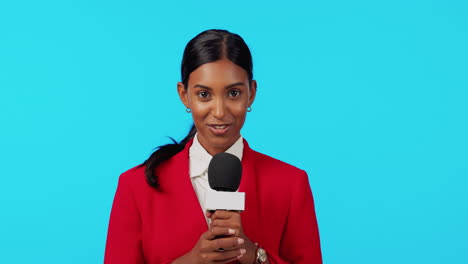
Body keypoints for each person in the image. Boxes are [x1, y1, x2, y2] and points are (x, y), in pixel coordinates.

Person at [104, 29, 322, 264]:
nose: (219, 112)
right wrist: (191, 261)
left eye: (234, 93)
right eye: (204, 94)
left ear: (252, 94)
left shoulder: (290, 184)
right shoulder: (135, 187)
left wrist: (255, 257)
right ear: (184, 95)